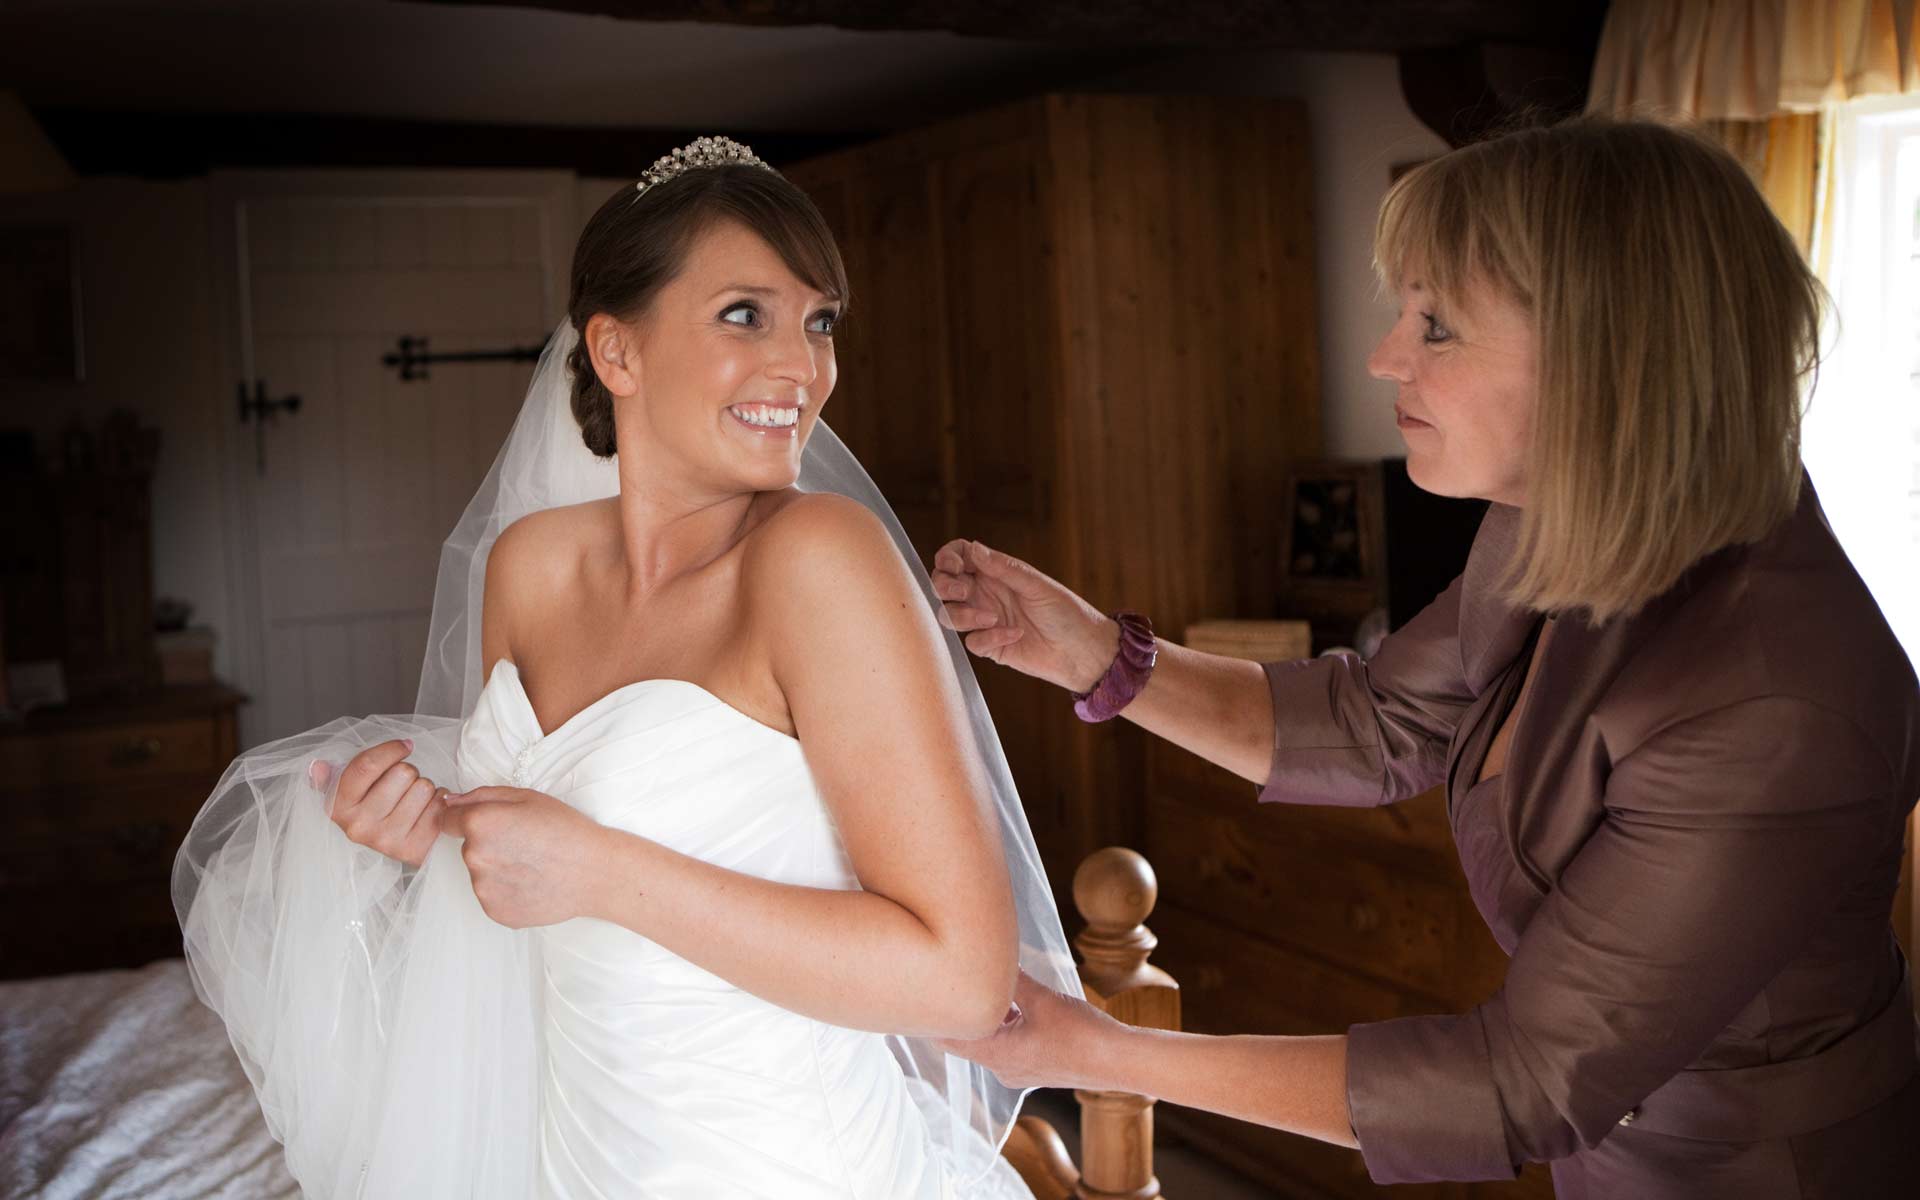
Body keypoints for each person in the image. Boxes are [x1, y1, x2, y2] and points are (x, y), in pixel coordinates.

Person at [932, 117, 1920, 1199]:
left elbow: (1522, 1081)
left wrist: (1102, 1053)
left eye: (1437, 325)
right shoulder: (1553, 521)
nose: (1384, 357)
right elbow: (1380, 722)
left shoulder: (1773, 699)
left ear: (1609, 356)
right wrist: (1095, 658)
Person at [174, 137, 1075, 1199]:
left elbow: (963, 983)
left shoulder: (816, 559)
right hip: (572, 1154)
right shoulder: (529, 567)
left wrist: (604, 871)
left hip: (785, 1166)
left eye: (819, 320)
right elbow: (530, 872)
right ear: (618, 353)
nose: (804, 364)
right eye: (747, 313)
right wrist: (430, 835)